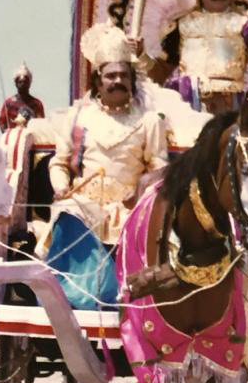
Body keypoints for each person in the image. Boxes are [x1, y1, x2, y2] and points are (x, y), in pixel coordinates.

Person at [48, 23, 167, 310]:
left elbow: (160, 168)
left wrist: (142, 190)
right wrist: (61, 186)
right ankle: (67, 297)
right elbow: (59, 163)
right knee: (68, 211)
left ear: (132, 81)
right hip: (84, 205)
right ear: (98, 81)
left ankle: (115, 297)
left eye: (124, 75)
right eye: (110, 76)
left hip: (129, 208)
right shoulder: (78, 117)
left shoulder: (149, 121)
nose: (117, 81)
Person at [0, 62, 45, 131]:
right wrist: (7, 133)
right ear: (16, 83)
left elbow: (41, 123)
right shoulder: (9, 103)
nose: (23, 84)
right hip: (14, 136)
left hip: (31, 136)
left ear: (29, 84)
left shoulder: (37, 104)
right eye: (20, 82)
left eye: (25, 82)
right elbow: (2, 123)